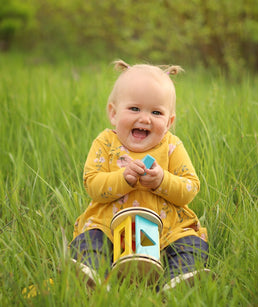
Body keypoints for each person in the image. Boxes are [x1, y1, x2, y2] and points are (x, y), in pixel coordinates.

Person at [69, 60, 209, 291]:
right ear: (113, 113)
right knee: (92, 238)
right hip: (111, 225)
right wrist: (123, 179)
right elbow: (92, 184)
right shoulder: (105, 143)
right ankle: (90, 274)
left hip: (166, 227)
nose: (145, 118)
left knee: (188, 243)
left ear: (169, 122)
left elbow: (190, 187)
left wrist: (162, 180)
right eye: (134, 109)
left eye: (156, 112)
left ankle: (181, 279)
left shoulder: (172, 146)